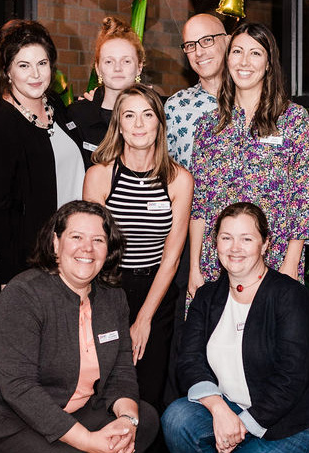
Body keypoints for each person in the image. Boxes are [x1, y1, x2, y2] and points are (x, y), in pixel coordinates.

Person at [0, 200, 159, 453]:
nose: (87, 249)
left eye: (98, 240)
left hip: (69, 409)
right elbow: (19, 388)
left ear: (109, 250)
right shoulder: (24, 294)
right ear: (56, 243)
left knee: (144, 419)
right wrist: (89, 441)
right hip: (0, 416)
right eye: (76, 237)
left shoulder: (113, 298)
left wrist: (127, 422)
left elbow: (121, 372)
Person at [163, 202, 309, 453]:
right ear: (216, 243)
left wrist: (239, 427)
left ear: (265, 244)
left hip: (295, 422)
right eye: (226, 238)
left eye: (246, 238)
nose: (235, 248)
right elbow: (190, 360)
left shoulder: (289, 294)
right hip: (232, 408)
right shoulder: (206, 297)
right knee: (177, 418)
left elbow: (291, 377)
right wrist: (219, 409)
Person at [83, 84, 194, 411]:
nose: (139, 124)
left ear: (160, 122)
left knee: (147, 394)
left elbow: (172, 258)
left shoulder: (178, 180)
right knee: (103, 389)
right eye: (129, 115)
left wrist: (144, 319)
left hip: (156, 293)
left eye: (147, 115)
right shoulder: (100, 176)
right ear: (118, 124)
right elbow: (92, 250)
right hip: (107, 288)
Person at [188, 22, 309, 298]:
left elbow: (304, 197)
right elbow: (199, 204)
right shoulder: (208, 126)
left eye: (256, 53)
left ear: (269, 63)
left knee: (269, 338)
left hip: (276, 257)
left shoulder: (294, 119)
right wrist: (194, 268)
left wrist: (291, 261)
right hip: (216, 262)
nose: (244, 62)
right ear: (227, 59)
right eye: (237, 52)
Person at [0, 19, 93, 319]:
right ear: (8, 72)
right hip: (29, 265)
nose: (35, 73)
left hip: (74, 256)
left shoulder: (56, 106)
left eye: (42, 63)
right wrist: (7, 277)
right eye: (24, 65)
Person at [69, 16, 147, 150]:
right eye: (109, 61)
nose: (117, 68)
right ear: (98, 69)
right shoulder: (77, 115)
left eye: (126, 61)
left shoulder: (157, 113)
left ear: (139, 67)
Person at [164, 13, 228, 168]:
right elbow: (163, 172)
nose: (199, 52)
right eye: (191, 45)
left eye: (207, 40)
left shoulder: (253, 100)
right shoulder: (175, 106)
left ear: (227, 41)